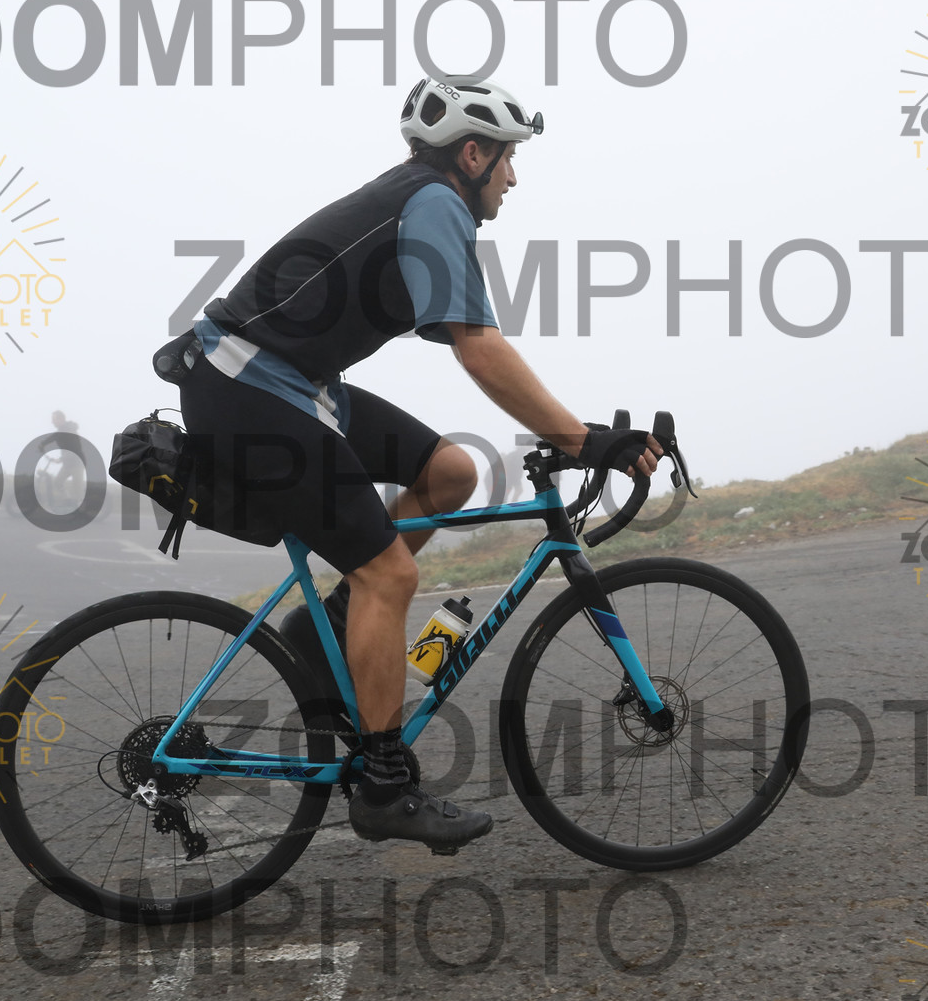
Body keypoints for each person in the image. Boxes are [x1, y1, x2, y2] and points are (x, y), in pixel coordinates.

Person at [162, 75, 661, 852]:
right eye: (508, 159)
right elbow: (480, 349)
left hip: (288, 384)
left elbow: (470, 339)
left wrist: (574, 432)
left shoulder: (420, 201)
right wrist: (580, 439)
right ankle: (385, 785)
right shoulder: (434, 202)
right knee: (389, 574)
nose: (514, 177)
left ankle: (327, 628)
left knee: (450, 473)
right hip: (246, 385)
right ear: (473, 154)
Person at [47, 410, 85, 499]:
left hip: (77, 464)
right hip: (67, 464)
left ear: (61, 419)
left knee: (78, 490)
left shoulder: (70, 431)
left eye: (54, 419)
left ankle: (82, 505)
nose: (52, 422)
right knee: (57, 482)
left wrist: (61, 459)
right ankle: (69, 500)